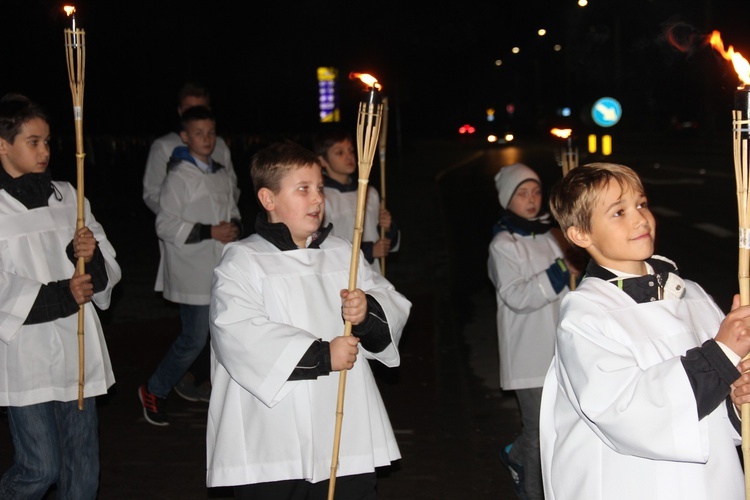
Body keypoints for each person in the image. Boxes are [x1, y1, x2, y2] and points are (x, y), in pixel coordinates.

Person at [206, 141, 411, 498]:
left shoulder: (342, 253)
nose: (318, 199)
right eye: (303, 189)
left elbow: (393, 303)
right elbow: (238, 333)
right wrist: (321, 356)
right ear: (268, 199)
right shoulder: (242, 260)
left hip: (345, 433)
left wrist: (366, 312)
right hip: (273, 441)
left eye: (319, 188)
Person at [540, 162, 750, 500]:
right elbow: (627, 413)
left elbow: (712, 411)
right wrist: (720, 355)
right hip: (636, 485)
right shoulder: (584, 314)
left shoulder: (692, 294)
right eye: (618, 212)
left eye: (641, 204)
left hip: (712, 484)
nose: (640, 219)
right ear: (581, 234)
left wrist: (737, 401)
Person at [0, 93, 121, 498]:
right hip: (24, 350)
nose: (44, 151)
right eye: (33, 141)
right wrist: (62, 294)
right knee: (40, 467)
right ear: (3, 145)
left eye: (48, 141)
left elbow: (105, 268)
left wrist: (88, 256)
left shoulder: (68, 195)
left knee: (82, 463)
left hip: (76, 342)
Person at [138, 105, 241, 426]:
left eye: (211, 132)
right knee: (194, 338)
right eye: (199, 133)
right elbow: (165, 225)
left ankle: (223, 394)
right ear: (185, 137)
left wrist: (234, 226)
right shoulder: (179, 176)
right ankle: (155, 388)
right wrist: (211, 231)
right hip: (193, 271)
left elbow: (233, 208)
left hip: (221, 266)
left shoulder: (220, 172)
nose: (206, 139)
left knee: (224, 334)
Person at [487, 163, 580, 500]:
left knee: (558, 427)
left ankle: (515, 455)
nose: (531, 199)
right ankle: (531, 490)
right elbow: (517, 296)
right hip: (528, 355)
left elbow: (571, 286)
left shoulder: (550, 234)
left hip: (560, 350)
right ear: (507, 199)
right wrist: (559, 270)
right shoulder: (503, 244)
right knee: (540, 433)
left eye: (536, 191)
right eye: (522, 193)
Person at [313, 128, 399, 275]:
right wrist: (368, 250)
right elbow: (322, 245)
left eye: (351, 151)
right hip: (342, 275)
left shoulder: (370, 193)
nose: (349, 157)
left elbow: (382, 239)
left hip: (373, 273)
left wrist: (388, 228)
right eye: (340, 153)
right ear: (322, 160)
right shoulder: (321, 197)